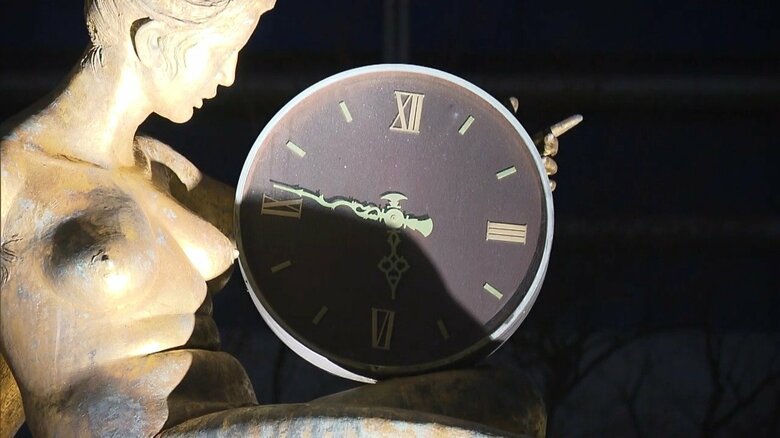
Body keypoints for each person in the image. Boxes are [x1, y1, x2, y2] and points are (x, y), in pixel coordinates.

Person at [0, 1, 275, 435]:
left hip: (237, 419)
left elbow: (297, 225)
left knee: (400, 404)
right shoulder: (13, 176)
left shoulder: (167, 171)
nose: (229, 75)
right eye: (223, 52)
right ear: (152, 41)